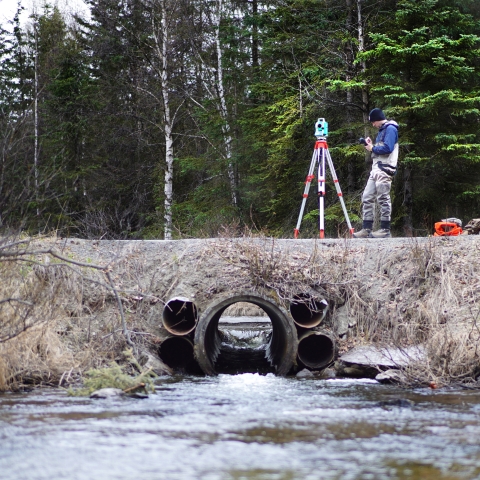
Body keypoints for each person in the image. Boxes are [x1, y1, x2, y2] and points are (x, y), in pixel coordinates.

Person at [353, 108, 399, 238]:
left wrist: (372, 148)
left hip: (385, 169)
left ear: (378, 119)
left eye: (373, 122)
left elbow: (387, 149)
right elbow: (380, 149)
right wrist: (371, 146)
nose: (373, 125)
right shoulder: (382, 130)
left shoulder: (390, 129)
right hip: (376, 169)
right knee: (367, 197)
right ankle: (366, 229)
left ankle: (385, 230)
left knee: (383, 198)